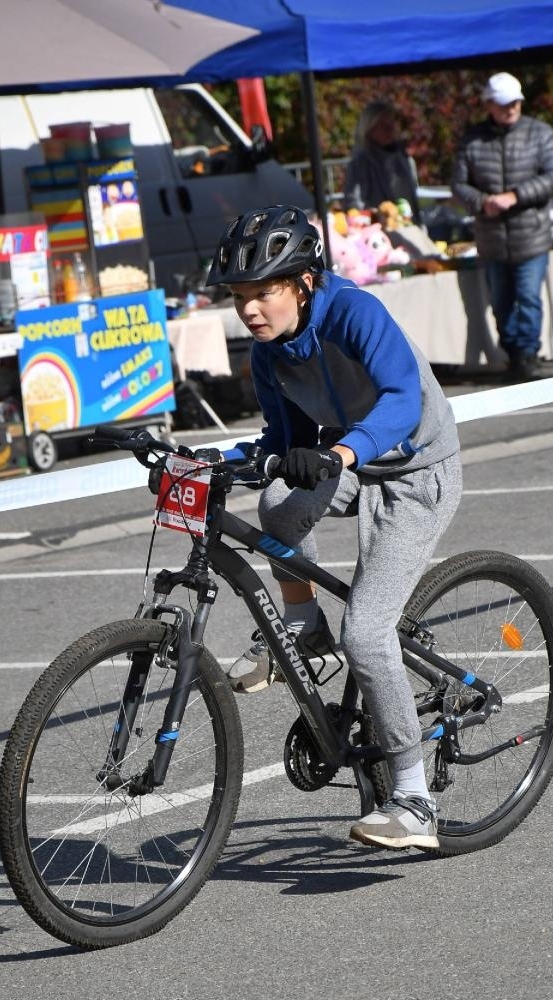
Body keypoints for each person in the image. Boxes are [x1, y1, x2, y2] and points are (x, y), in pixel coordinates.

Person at [203, 205, 462, 850]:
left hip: (416, 469)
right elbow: (283, 442)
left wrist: (342, 453)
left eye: (263, 292)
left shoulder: (355, 314)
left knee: (369, 634)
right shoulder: (269, 355)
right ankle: (302, 623)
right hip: (353, 463)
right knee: (277, 504)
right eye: (240, 297)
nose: (250, 310)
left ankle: (413, 797)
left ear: (304, 283)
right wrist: (210, 460)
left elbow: (403, 398)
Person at [451, 72, 553, 381]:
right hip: (491, 238)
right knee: (500, 302)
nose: (510, 108)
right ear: (489, 105)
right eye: (503, 103)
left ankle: (528, 355)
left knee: (528, 297)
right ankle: (513, 352)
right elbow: (458, 184)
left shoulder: (540, 133)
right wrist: (483, 201)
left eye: (515, 102)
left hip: (532, 234)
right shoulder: (472, 140)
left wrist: (515, 196)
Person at [343, 101, 421, 223]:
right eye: (384, 126)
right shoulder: (360, 162)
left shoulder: (404, 158)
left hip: (409, 227)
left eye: (392, 125)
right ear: (369, 129)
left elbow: (413, 201)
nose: (390, 130)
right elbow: (354, 204)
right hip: (380, 233)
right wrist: (381, 216)